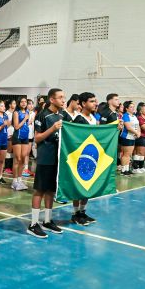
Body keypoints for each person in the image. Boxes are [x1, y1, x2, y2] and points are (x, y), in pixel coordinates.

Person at [28, 88, 67, 238]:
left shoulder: (62, 115)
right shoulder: (43, 115)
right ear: (52, 99)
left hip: (57, 158)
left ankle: (48, 220)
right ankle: (33, 224)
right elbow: (37, 138)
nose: (64, 100)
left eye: (64, 97)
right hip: (45, 158)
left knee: (51, 190)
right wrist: (52, 129)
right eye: (60, 97)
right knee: (40, 189)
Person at [70, 92, 98, 226]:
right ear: (83, 104)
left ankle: (83, 211)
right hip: (81, 157)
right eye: (91, 101)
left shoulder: (93, 118)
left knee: (88, 186)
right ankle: (75, 213)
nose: (95, 103)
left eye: (95, 101)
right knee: (79, 187)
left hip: (92, 155)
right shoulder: (78, 119)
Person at [11, 97, 30, 191]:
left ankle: (19, 180)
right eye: (22, 102)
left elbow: (26, 124)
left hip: (25, 137)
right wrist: (25, 119)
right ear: (19, 103)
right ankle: (14, 181)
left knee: (23, 158)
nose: (23, 103)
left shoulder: (27, 112)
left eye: (25, 102)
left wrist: (28, 120)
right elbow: (16, 126)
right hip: (17, 137)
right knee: (17, 159)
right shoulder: (16, 112)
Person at [119, 101, 141, 175]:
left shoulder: (134, 116)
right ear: (127, 109)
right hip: (126, 136)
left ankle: (127, 169)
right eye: (131, 107)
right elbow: (128, 127)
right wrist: (136, 133)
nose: (133, 108)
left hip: (132, 137)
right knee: (126, 154)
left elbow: (137, 126)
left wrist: (139, 133)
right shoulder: (125, 116)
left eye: (133, 107)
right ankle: (123, 170)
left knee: (129, 154)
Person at [133, 103, 145, 173]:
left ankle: (141, 167)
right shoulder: (139, 118)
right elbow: (144, 128)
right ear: (140, 111)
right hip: (141, 137)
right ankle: (135, 168)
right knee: (139, 153)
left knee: (143, 153)